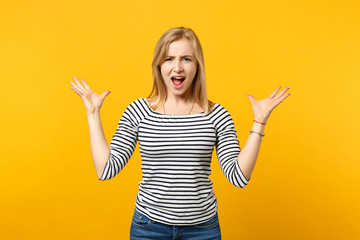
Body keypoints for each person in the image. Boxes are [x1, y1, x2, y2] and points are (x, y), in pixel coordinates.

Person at [70, 27, 290, 240]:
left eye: (186, 59)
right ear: (159, 66)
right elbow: (106, 169)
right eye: (169, 59)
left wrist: (259, 122)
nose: (177, 67)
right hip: (149, 228)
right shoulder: (138, 111)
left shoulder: (217, 115)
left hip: (203, 230)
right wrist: (92, 113)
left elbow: (238, 177)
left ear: (197, 66)